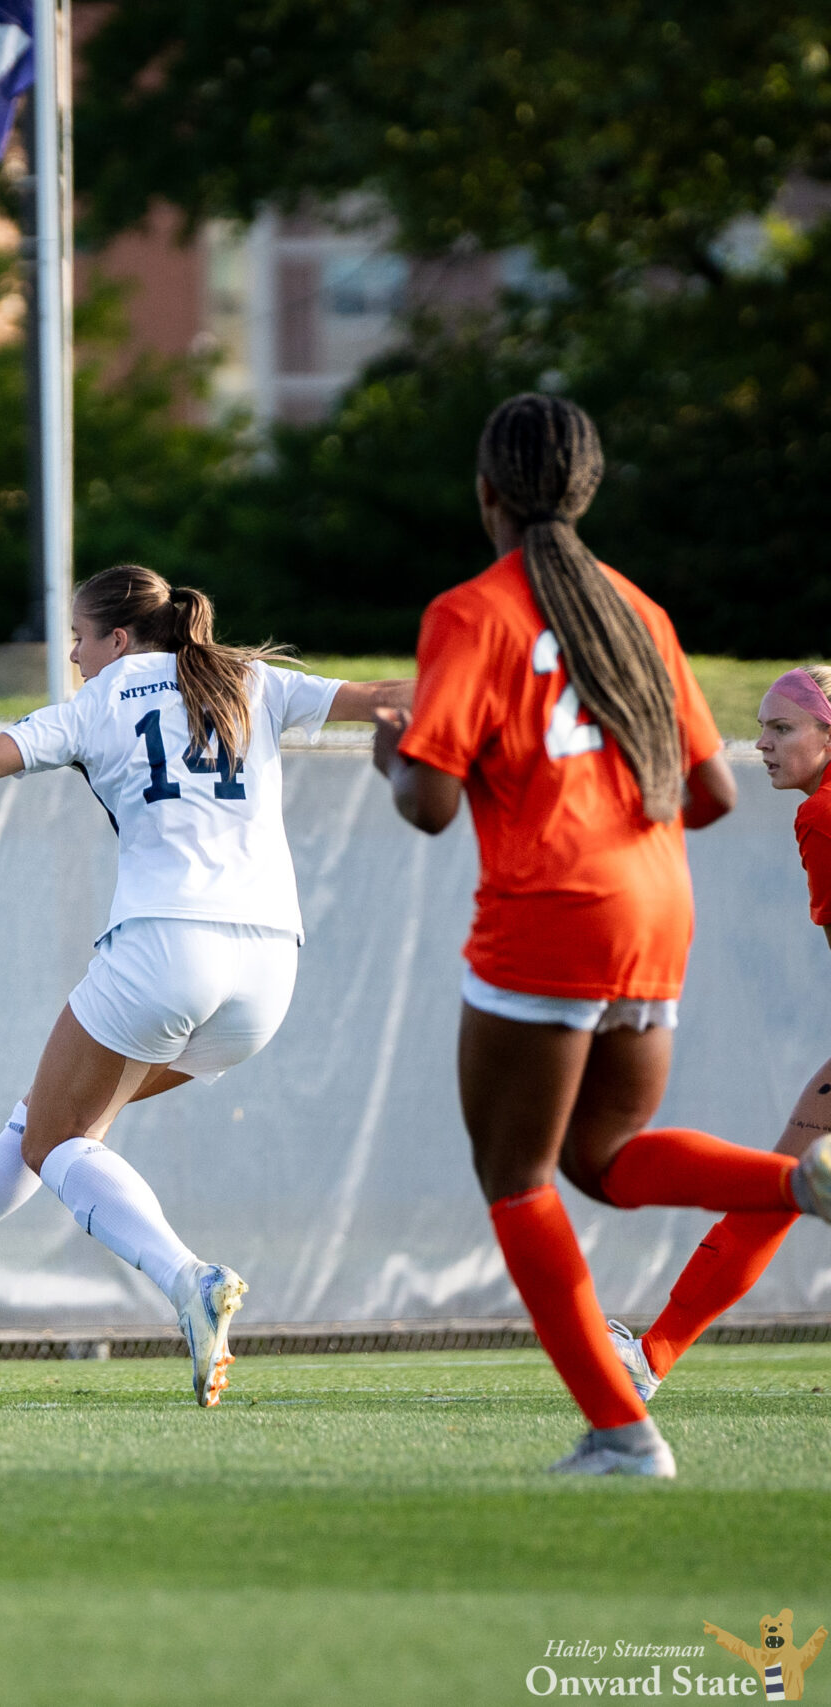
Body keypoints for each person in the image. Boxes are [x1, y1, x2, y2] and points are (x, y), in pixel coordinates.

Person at [0, 565, 411, 1406]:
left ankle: (187, 1278)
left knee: (55, 1141)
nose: (73, 654)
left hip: (167, 948)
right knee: (49, 1122)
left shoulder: (100, 703)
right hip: (268, 977)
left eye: (80, 639)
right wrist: (499, 693)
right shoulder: (249, 680)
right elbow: (391, 695)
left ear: (119, 640)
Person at [374, 393, 831, 1478]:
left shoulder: (471, 612)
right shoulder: (640, 610)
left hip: (547, 910)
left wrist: (397, 755)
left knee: (514, 1174)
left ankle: (623, 1433)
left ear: (487, 496)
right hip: (655, 907)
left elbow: (431, 805)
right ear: (588, 491)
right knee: (601, 1159)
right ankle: (800, 1185)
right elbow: (712, 793)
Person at [606, 664, 831, 1399]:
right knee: (787, 1185)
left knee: (782, 1188)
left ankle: (652, 1358)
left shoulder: (821, 814)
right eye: (762, 726)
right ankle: (653, 1355)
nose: (761, 743)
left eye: (783, 728)